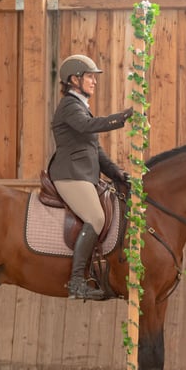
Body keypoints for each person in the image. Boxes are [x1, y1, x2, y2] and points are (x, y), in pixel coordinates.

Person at [48, 54, 133, 300]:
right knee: (96, 217)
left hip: (85, 175)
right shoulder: (69, 107)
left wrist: (117, 173)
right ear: (74, 79)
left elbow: (95, 151)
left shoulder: (81, 107)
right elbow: (88, 127)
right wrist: (123, 117)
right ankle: (76, 281)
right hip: (70, 175)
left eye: (95, 77)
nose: (94, 81)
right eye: (90, 77)